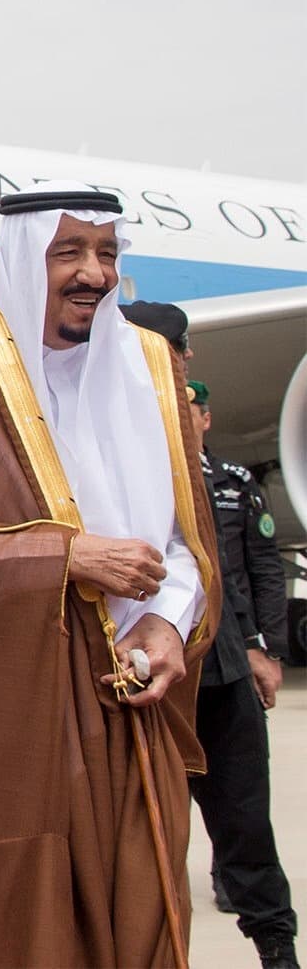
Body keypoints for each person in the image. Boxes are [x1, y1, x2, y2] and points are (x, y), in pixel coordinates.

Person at [0, 183, 219, 967]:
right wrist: (63, 555)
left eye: (105, 253)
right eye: (68, 252)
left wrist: (166, 622)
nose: (92, 272)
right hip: (7, 719)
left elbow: (184, 539)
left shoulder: (150, 367)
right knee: (20, 930)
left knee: (146, 923)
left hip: (134, 707)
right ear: (27, 259)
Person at [186, 378, 297, 969]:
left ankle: (278, 950)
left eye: (192, 406)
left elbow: (259, 572)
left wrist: (264, 650)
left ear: (206, 417)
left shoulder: (230, 483)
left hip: (226, 664)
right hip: (153, 676)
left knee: (246, 820)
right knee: (137, 834)